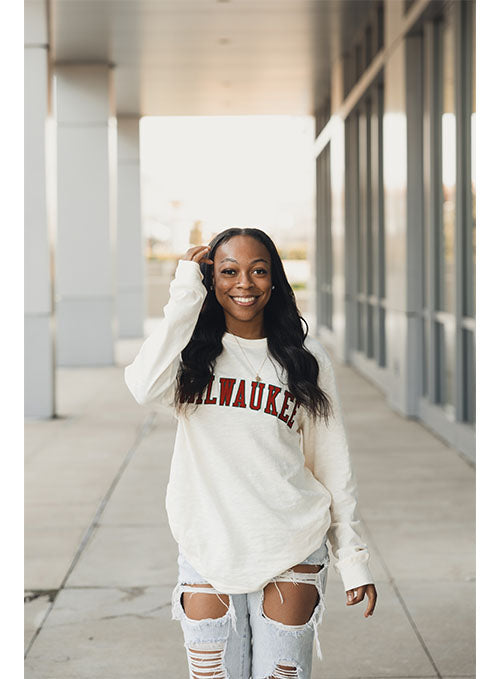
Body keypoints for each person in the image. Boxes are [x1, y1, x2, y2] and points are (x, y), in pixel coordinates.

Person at [124, 227, 377, 679]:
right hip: (207, 545)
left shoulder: (304, 358)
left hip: (291, 542)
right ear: (211, 279)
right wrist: (185, 289)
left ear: (274, 279)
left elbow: (333, 465)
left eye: (258, 270)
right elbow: (142, 385)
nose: (244, 283)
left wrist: (353, 559)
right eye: (228, 271)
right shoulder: (189, 358)